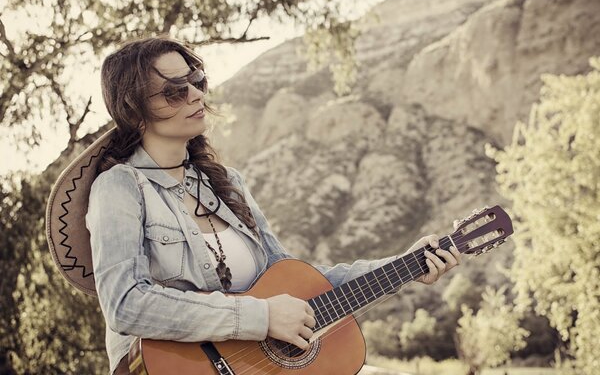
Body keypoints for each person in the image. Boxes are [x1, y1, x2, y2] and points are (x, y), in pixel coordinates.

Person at [82, 35, 461, 374]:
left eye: (196, 82)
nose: (197, 95)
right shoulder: (119, 188)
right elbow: (125, 303)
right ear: (134, 110)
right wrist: (259, 317)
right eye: (175, 91)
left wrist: (404, 265)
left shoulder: (228, 183)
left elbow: (298, 283)